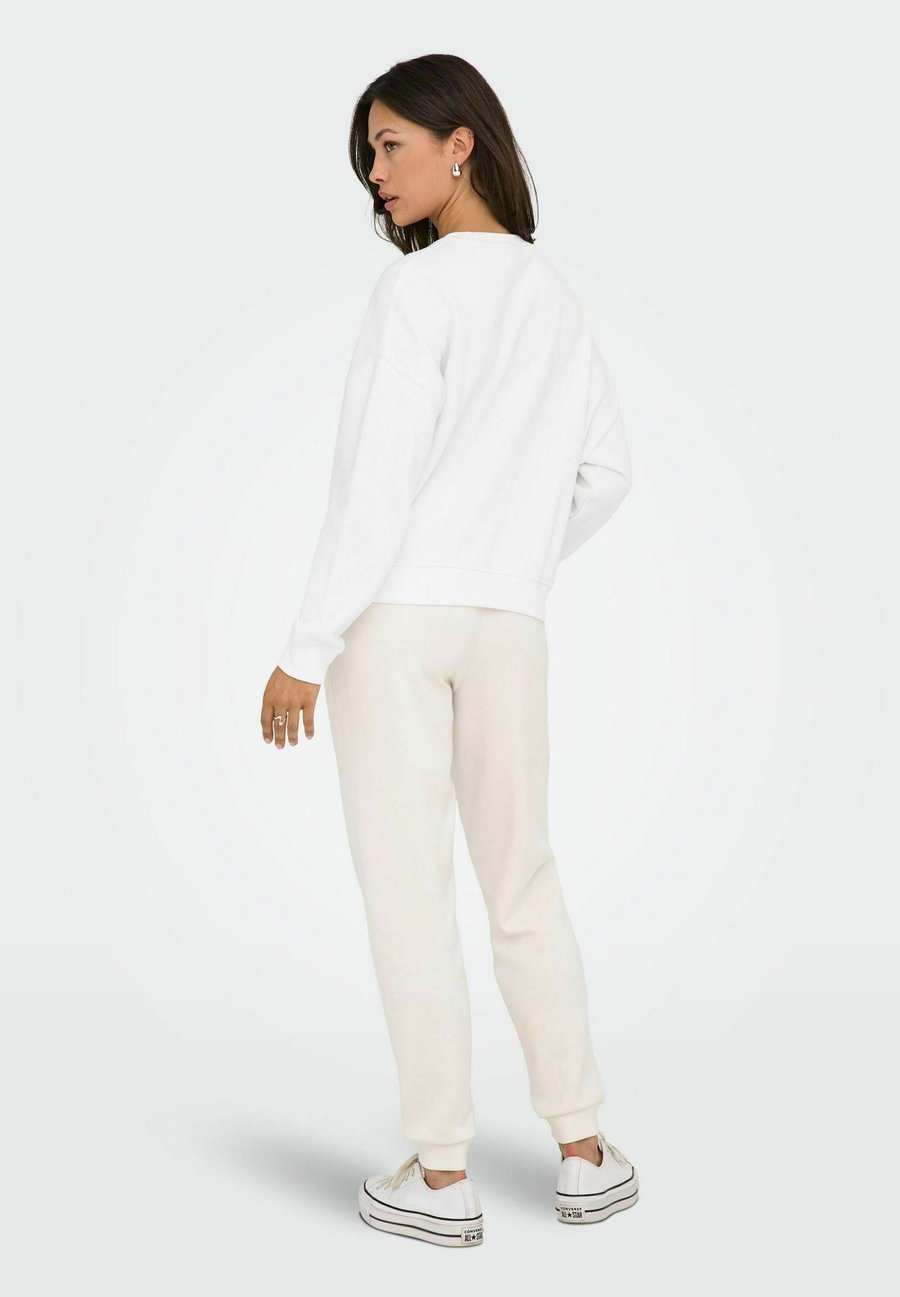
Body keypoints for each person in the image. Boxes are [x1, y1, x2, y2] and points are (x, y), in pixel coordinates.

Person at [260, 53, 639, 1247]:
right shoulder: (554, 294)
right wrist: (509, 558)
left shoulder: (416, 293)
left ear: (459, 142)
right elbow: (608, 473)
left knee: (408, 891)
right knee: (524, 879)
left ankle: (440, 1178)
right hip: (508, 625)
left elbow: (373, 488)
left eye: (391, 146)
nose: (376, 175)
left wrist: (305, 646)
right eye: (369, 155)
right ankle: (584, 1152)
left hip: (396, 623)